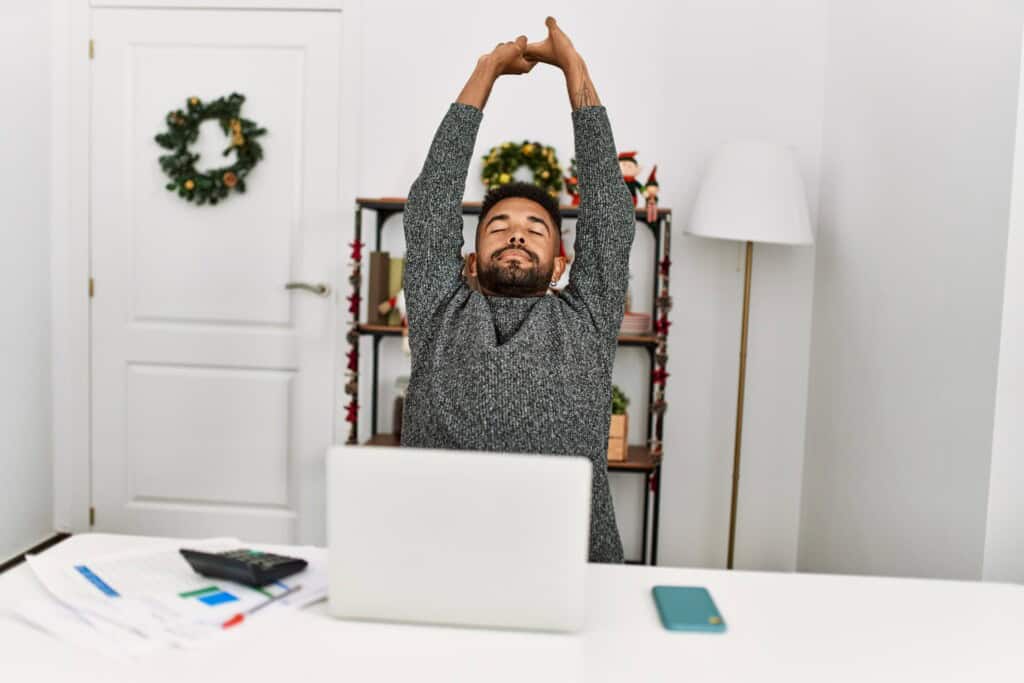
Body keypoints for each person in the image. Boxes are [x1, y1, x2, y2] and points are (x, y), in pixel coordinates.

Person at [400, 17, 635, 563]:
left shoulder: (589, 318)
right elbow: (432, 203)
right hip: (439, 554)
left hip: (570, 558)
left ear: (560, 263)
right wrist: (486, 73)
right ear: (471, 257)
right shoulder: (440, 308)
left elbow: (611, 217)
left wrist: (574, 71)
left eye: (535, 230)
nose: (515, 234)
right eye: (499, 226)